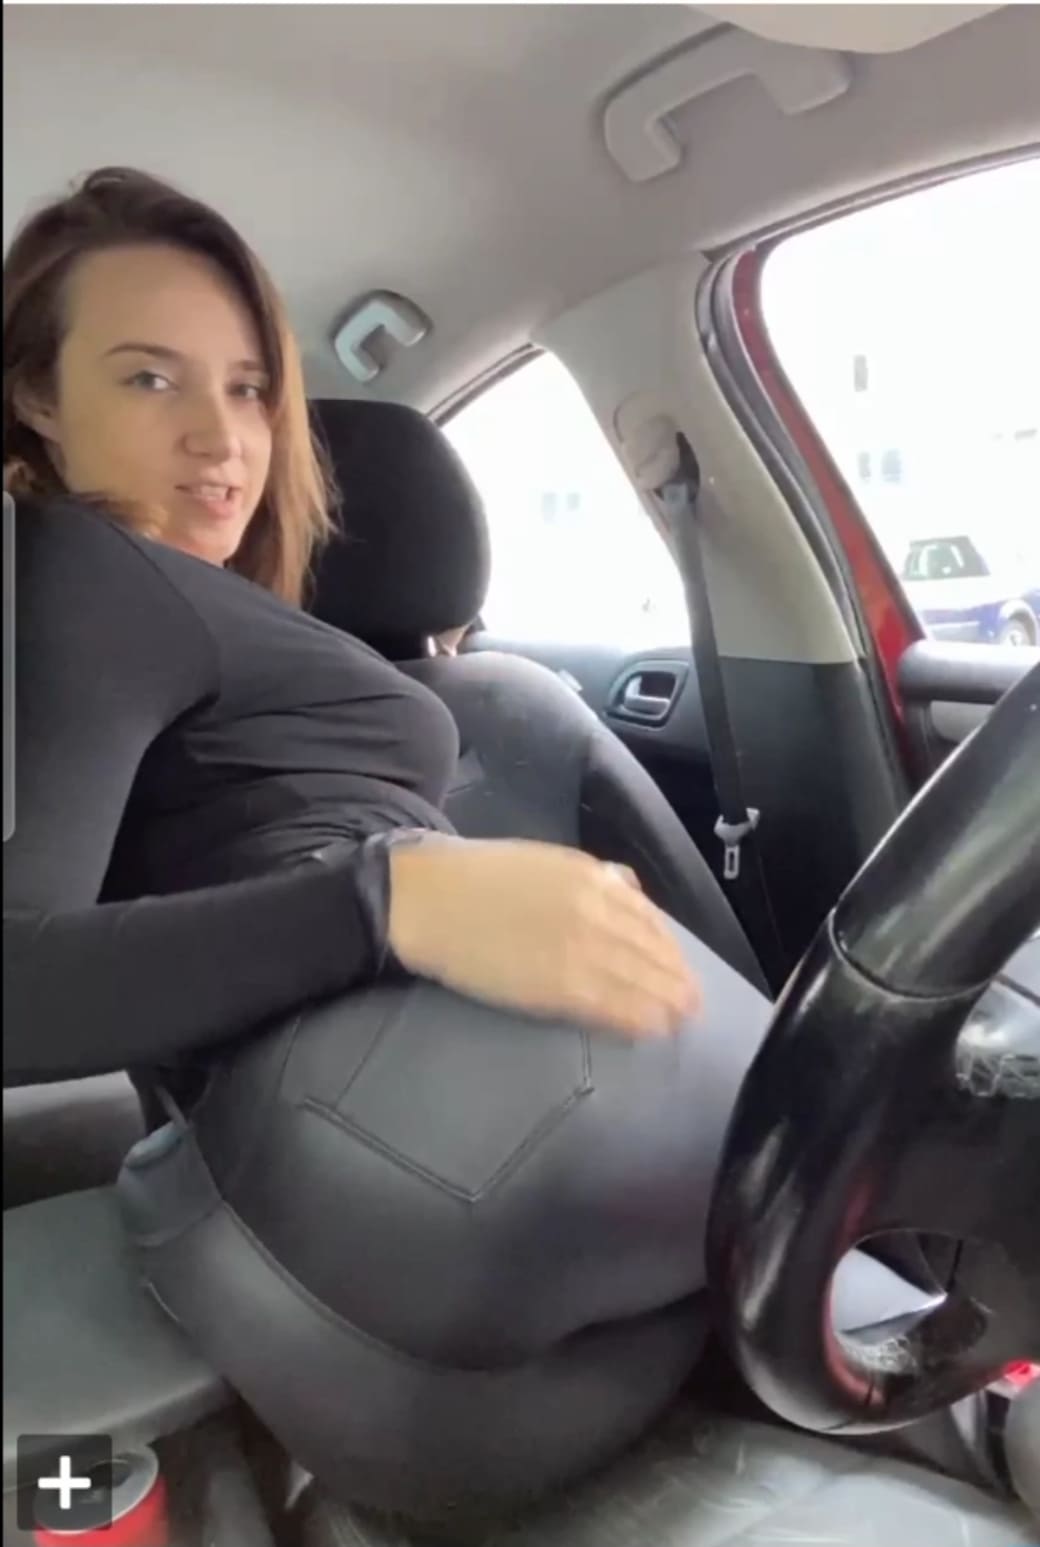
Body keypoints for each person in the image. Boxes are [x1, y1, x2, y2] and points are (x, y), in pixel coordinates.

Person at [3, 169, 929, 1519]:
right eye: (149, 380)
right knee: (902, 1288)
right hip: (430, 1136)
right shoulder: (75, 568)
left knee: (903, 1355)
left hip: (412, 1230)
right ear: (35, 399)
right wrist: (392, 900)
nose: (222, 439)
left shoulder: (187, 616)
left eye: (251, 390)